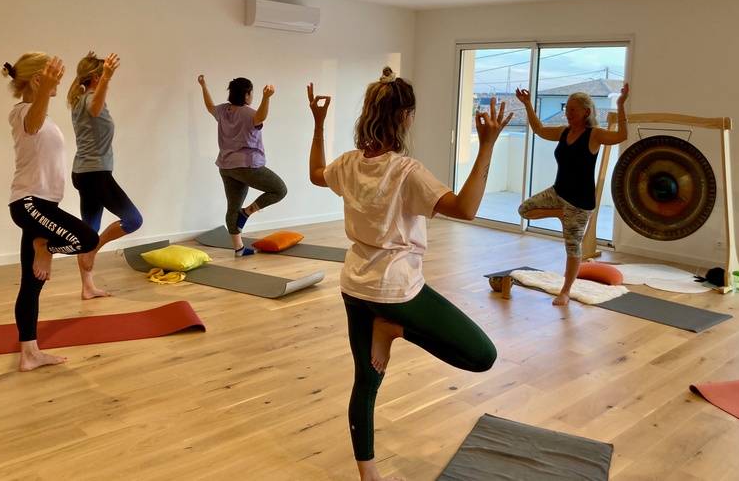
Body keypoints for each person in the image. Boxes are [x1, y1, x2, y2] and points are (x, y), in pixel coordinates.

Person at [307, 67, 509, 481]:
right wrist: (487, 145)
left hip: (354, 284)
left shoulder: (347, 164)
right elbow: (466, 209)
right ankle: (395, 330)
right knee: (482, 356)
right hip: (395, 290)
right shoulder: (406, 171)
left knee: (366, 381)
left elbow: (314, 175)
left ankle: (370, 477)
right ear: (406, 118)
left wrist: (319, 123)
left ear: (367, 113)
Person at [2, 52, 100, 371]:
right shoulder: (22, 113)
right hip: (31, 203)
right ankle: (43, 245)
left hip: (43, 205)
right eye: (50, 78)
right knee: (87, 238)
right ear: (37, 80)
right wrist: (44, 89)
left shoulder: (43, 114)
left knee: (32, 283)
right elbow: (32, 126)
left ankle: (29, 354)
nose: (57, 82)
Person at [514, 83, 629, 306]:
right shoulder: (563, 132)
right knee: (524, 210)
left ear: (586, 111)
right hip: (557, 193)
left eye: (573, 110)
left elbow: (622, 136)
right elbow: (538, 129)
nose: (568, 113)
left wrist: (621, 105)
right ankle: (559, 213)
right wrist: (528, 104)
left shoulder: (594, 135)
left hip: (579, 203)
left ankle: (565, 291)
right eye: (566, 109)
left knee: (572, 247)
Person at [66, 51, 143, 299]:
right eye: (103, 76)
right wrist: (107, 78)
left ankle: (87, 288)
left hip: (83, 173)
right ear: (96, 78)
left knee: (89, 229)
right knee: (133, 220)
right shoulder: (89, 100)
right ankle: (94, 249)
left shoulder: (77, 99)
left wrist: (99, 76)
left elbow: (92, 101)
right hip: (96, 173)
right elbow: (97, 108)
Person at [198, 74, 287, 255]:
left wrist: (203, 85)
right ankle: (246, 212)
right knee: (280, 190)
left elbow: (209, 107)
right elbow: (261, 117)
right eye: (251, 93)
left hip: (226, 167)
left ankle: (238, 248)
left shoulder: (223, 110)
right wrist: (266, 97)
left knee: (232, 206)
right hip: (246, 166)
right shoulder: (246, 112)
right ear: (247, 95)